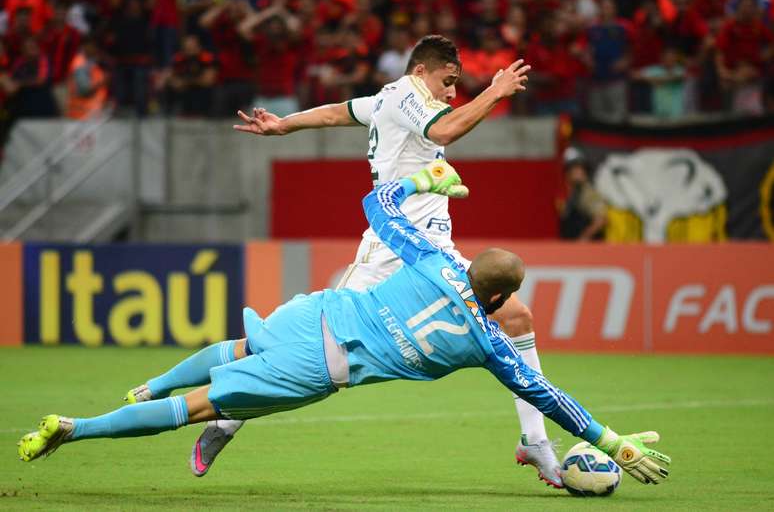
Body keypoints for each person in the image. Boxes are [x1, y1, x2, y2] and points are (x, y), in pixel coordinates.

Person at [18, 163, 672, 490]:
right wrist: (613, 441)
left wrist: (424, 178)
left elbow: (376, 202)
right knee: (194, 409)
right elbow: (546, 394)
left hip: (318, 310)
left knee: (237, 343)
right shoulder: (487, 344)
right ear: (499, 296)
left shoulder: (438, 259)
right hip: (320, 365)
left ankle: (147, 382)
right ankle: (77, 428)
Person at [194, 34, 559, 487]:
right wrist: (495, 91)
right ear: (422, 71)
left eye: (457, 86)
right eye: (448, 81)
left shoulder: (389, 99)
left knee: (516, 317)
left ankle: (535, 440)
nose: (451, 92)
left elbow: (335, 112)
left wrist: (285, 124)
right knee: (311, 346)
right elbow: (444, 130)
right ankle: (228, 415)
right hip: (390, 248)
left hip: (434, 252)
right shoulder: (408, 94)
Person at [557, 148, 608, 241]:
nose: (579, 172)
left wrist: (584, 237)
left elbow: (601, 220)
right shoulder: (571, 193)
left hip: (588, 249)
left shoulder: (587, 192)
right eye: (575, 168)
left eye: (581, 168)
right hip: (570, 247)